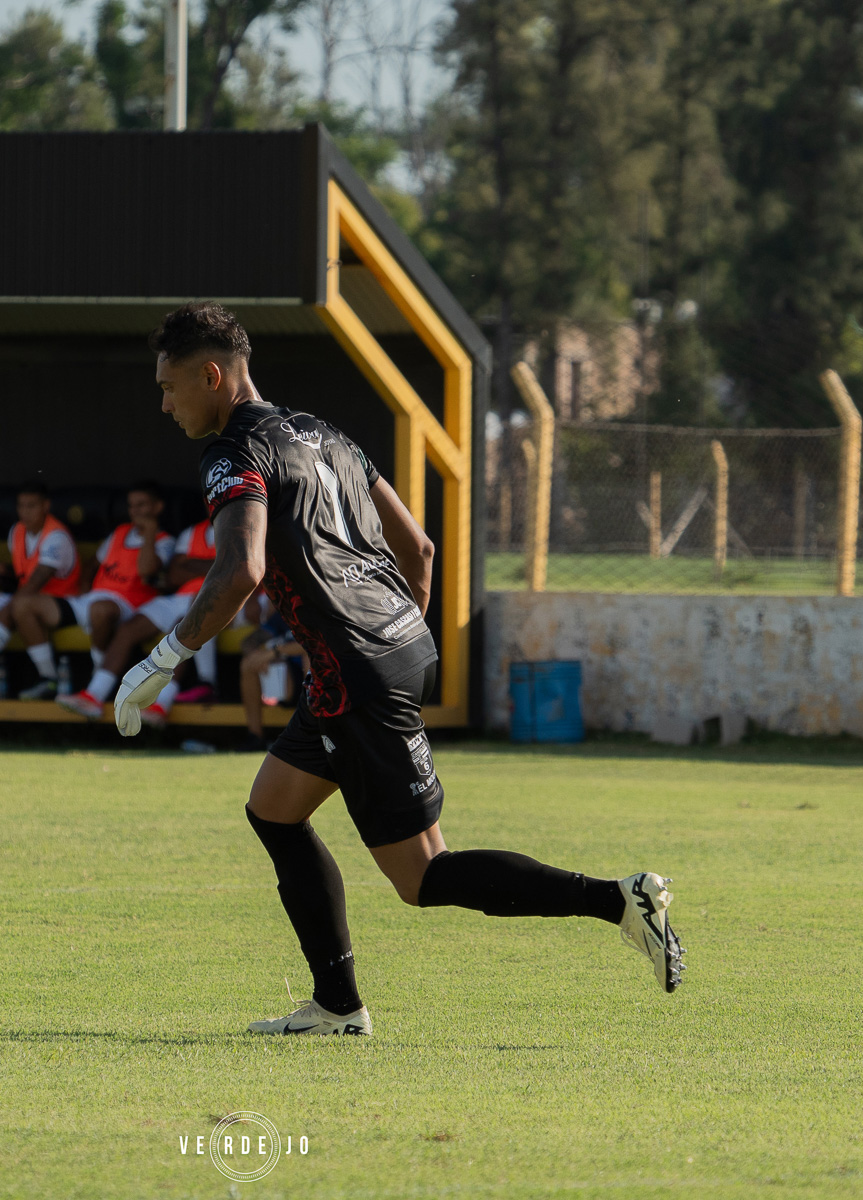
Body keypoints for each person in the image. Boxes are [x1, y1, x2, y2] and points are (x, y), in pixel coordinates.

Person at [114, 303, 684, 1037]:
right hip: (389, 650)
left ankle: (618, 900)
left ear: (212, 377)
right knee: (273, 810)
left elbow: (242, 569)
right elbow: (420, 548)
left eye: (169, 387)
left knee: (422, 877)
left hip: (355, 674)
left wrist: (164, 658)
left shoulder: (232, 452)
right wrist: (394, 638)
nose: (164, 405)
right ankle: (336, 1006)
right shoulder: (326, 433)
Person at [58, 508, 215, 724]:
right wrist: (215, 564)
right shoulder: (193, 532)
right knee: (128, 630)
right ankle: (93, 696)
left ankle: (161, 704)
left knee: (182, 629)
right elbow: (174, 575)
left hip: (216, 599)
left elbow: (235, 569)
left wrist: (192, 564)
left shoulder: (244, 526)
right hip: (178, 598)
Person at [41, 482, 174, 717]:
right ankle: (48, 680)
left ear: (157, 507)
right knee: (27, 604)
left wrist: (150, 532)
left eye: (142, 505)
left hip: (133, 604)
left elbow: (147, 570)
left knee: (100, 610)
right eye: (131, 506)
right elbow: (93, 563)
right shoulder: (120, 532)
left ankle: (97, 679)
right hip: (95, 598)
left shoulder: (165, 540)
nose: (135, 511)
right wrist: (83, 588)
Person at [0, 482, 81, 699]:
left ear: (46, 506)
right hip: (26, 599)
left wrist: (7, 606)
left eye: (32, 506)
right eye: (21, 506)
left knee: (15, 606)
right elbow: (25, 573)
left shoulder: (56, 537)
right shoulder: (17, 531)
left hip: (60, 603)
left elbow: (35, 583)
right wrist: (4, 571)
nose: (25, 512)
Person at [237, 600, 306, 752]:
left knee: (308, 655)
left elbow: (314, 644)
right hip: (285, 674)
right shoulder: (284, 614)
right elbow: (249, 641)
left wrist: (273, 652)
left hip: (314, 674)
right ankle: (255, 736)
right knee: (248, 664)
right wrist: (256, 655)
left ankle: (312, 731)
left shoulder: (315, 610)